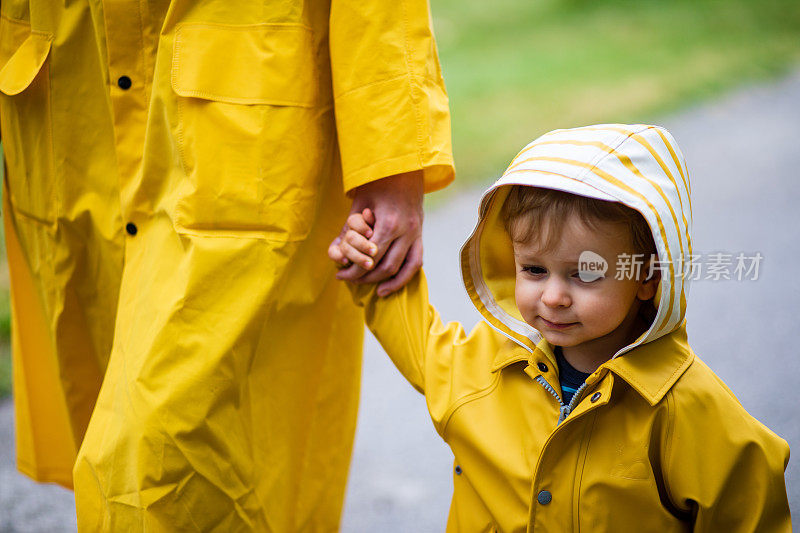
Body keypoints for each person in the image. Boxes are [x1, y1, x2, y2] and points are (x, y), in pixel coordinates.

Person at [0, 0, 453, 529]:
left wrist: (393, 161)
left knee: (156, 448)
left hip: (237, 125)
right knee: (112, 424)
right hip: (73, 114)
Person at [330, 124, 791, 531]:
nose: (552, 297)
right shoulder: (484, 369)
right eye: (533, 270)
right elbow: (413, 334)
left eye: (584, 274)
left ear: (648, 277)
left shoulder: (688, 410)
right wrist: (370, 258)